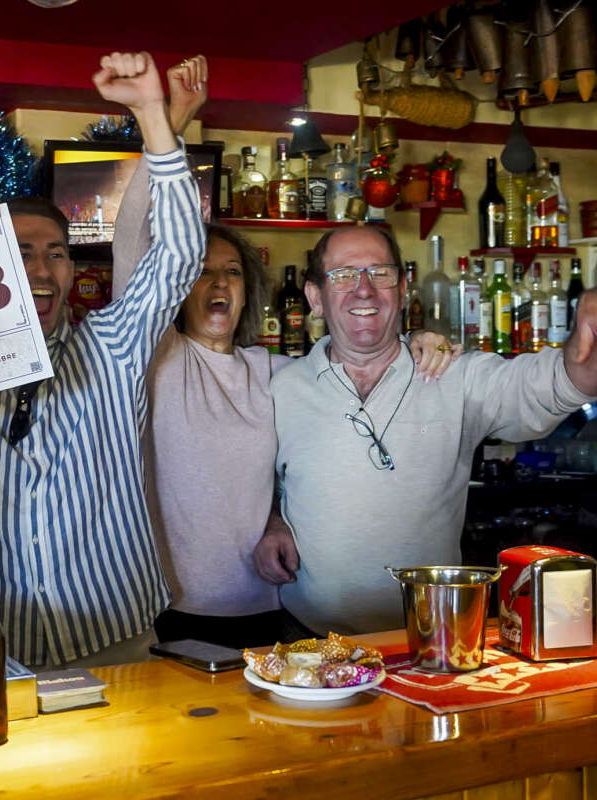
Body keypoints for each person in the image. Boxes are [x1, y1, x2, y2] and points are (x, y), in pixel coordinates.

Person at [111, 57, 456, 649]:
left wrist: (419, 342)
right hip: (168, 609)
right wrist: (169, 125)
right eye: (199, 273)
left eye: (230, 273)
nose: (217, 285)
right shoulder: (157, 358)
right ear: (175, 287)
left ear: (250, 287)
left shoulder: (280, 372)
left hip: (276, 605)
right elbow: (132, 241)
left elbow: (301, 462)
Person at [0, 51, 205, 668]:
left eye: (56, 253)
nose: (40, 270)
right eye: (20, 252)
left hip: (114, 634)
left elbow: (177, 254)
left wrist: (152, 113)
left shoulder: (113, 344)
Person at [255, 225, 597, 636]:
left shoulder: (455, 375)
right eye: (343, 275)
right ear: (315, 298)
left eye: (380, 273)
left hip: (433, 637)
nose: (364, 289)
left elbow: (572, 382)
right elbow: (253, 483)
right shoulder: (281, 386)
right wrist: (271, 521)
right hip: (307, 636)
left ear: (404, 288)